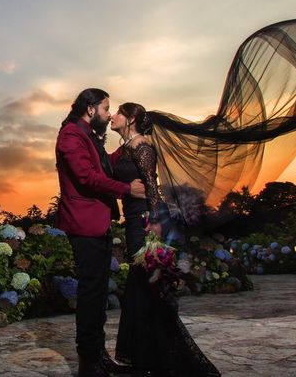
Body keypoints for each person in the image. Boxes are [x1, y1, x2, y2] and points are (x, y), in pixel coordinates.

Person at [110, 102, 220, 377]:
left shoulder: (142, 147)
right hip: (133, 220)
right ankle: (145, 356)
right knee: (139, 286)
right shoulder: (126, 147)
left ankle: (166, 358)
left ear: (131, 118)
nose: (113, 116)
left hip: (145, 222)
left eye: (118, 112)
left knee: (148, 286)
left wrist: (156, 223)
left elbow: (151, 187)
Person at [55, 88, 146, 377]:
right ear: (91, 109)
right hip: (84, 224)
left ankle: (99, 356)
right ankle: (89, 363)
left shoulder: (89, 137)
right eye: (106, 109)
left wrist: (131, 143)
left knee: (97, 293)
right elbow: (86, 176)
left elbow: (104, 164)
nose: (109, 115)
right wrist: (126, 189)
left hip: (98, 223)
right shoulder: (71, 135)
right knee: (91, 294)